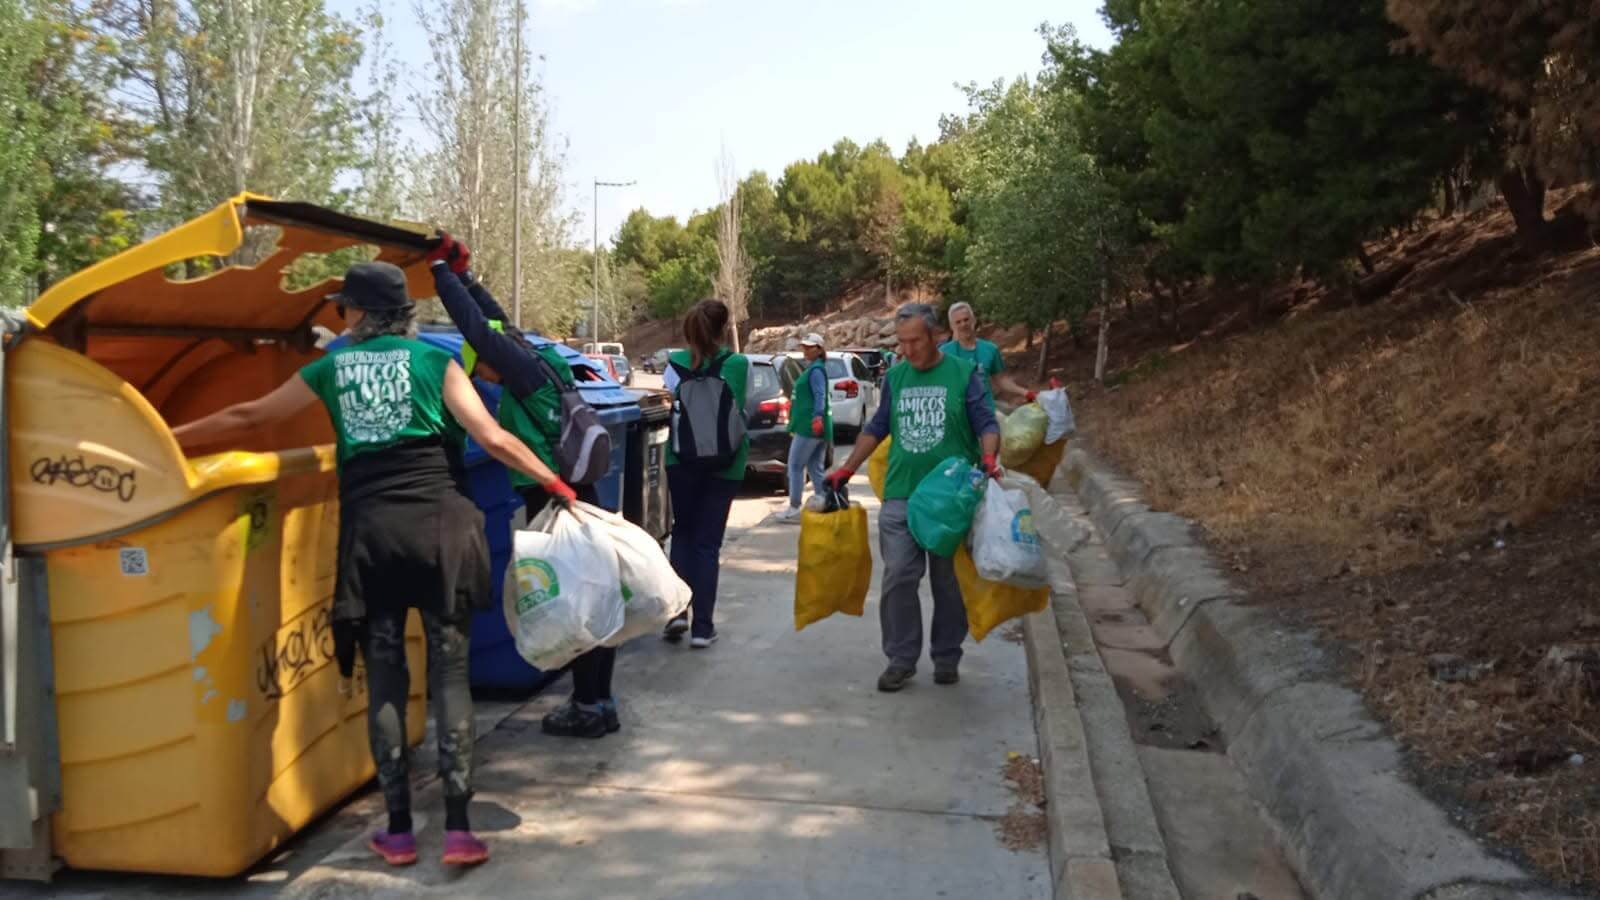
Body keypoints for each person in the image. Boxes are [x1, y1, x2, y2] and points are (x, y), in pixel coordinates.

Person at [173, 261, 574, 869]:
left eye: (344, 308)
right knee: (449, 676)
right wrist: (556, 482)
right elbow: (490, 437)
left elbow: (250, 418)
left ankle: (398, 831)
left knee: (387, 678)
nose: (341, 317)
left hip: (373, 538)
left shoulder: (331, 367)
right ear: (404, 315)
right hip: (443, 530)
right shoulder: (434, 363)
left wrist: (172, 437)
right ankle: (460, 829)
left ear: (360, 313)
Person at [426, 234, 620, 741]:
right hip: (582, 493)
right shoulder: (535, 359)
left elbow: (478, 329)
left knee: (572, 603)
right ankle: (602, 701)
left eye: (480, 373)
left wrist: (439, 273)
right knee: (594, 595)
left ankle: (586, 706)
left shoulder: (519, 373)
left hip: (556, 497)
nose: (484, 382)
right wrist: (465, 276)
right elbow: (495, 323)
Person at [824, 302, 1001, 693]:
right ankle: (901, 659)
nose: (907, 350)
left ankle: (946, 655)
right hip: (902, 492)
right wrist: (847, 467)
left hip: (948, 499)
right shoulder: (897, 376)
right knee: (899, 575)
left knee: (947, 581)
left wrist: (989, 457)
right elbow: (878, 424)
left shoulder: (963, 373)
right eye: (901, 342)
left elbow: (986, 422)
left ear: (936, 336)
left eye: (914, 341)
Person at [661, 300, 749, 649]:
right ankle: (703, 627)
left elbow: (673, 401)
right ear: (724, 328)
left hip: (681, 461)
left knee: (682, 536)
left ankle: (677, 613)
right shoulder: (738, 364)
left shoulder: (674, 364)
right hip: (725, 465)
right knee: (707, 544)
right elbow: (740, 406)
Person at [775, 333, 831, 524]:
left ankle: (794, 507)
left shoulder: (815, 370)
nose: (805, 350)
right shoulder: (814, 369)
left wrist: (816, 417)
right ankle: (823, 501)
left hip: (809, 427)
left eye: (810, 347)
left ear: (819, 349)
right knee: (815, 467)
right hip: (811, 426)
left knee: (795, 465)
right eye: (804, 347)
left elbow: (820, 395)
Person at [942, 301, 1036, 407]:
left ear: (974, 320)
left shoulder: (990, 349)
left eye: (966, 319)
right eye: (958, 322)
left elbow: (1001, 380)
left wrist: (1026, 393)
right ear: (952, 326)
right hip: (959, 415)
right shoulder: (943, 353)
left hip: (986, 412)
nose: (963, 324)